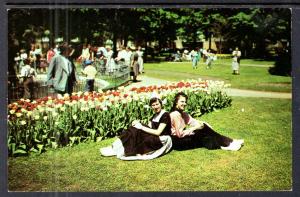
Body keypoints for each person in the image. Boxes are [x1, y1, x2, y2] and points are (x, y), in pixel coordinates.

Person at [100, 95, 172, 160]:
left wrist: (141, 127)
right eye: (153, 105)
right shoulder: (155, 115)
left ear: (161, 104)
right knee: (133, 129)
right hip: (154, 135)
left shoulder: (165, 115)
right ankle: (117, 146)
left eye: (157, 104)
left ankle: (121, 148)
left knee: (137, 130)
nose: (155, 107)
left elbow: (158, 132)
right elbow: (149, 127)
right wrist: (138, 123)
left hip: (162, 138)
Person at [170, 92, 244, 151]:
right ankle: (228, 143)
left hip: (183, 137)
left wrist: (204, 124)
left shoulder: (184, 114)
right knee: (202, 135)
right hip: (178, 142)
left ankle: (228, 143)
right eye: (182, 101)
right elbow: (178, 134)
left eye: (185, 102)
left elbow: (195, 122)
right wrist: (192, 129)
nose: (184, 104)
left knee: (204, 133)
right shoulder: (175, 114)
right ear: (176, 102)